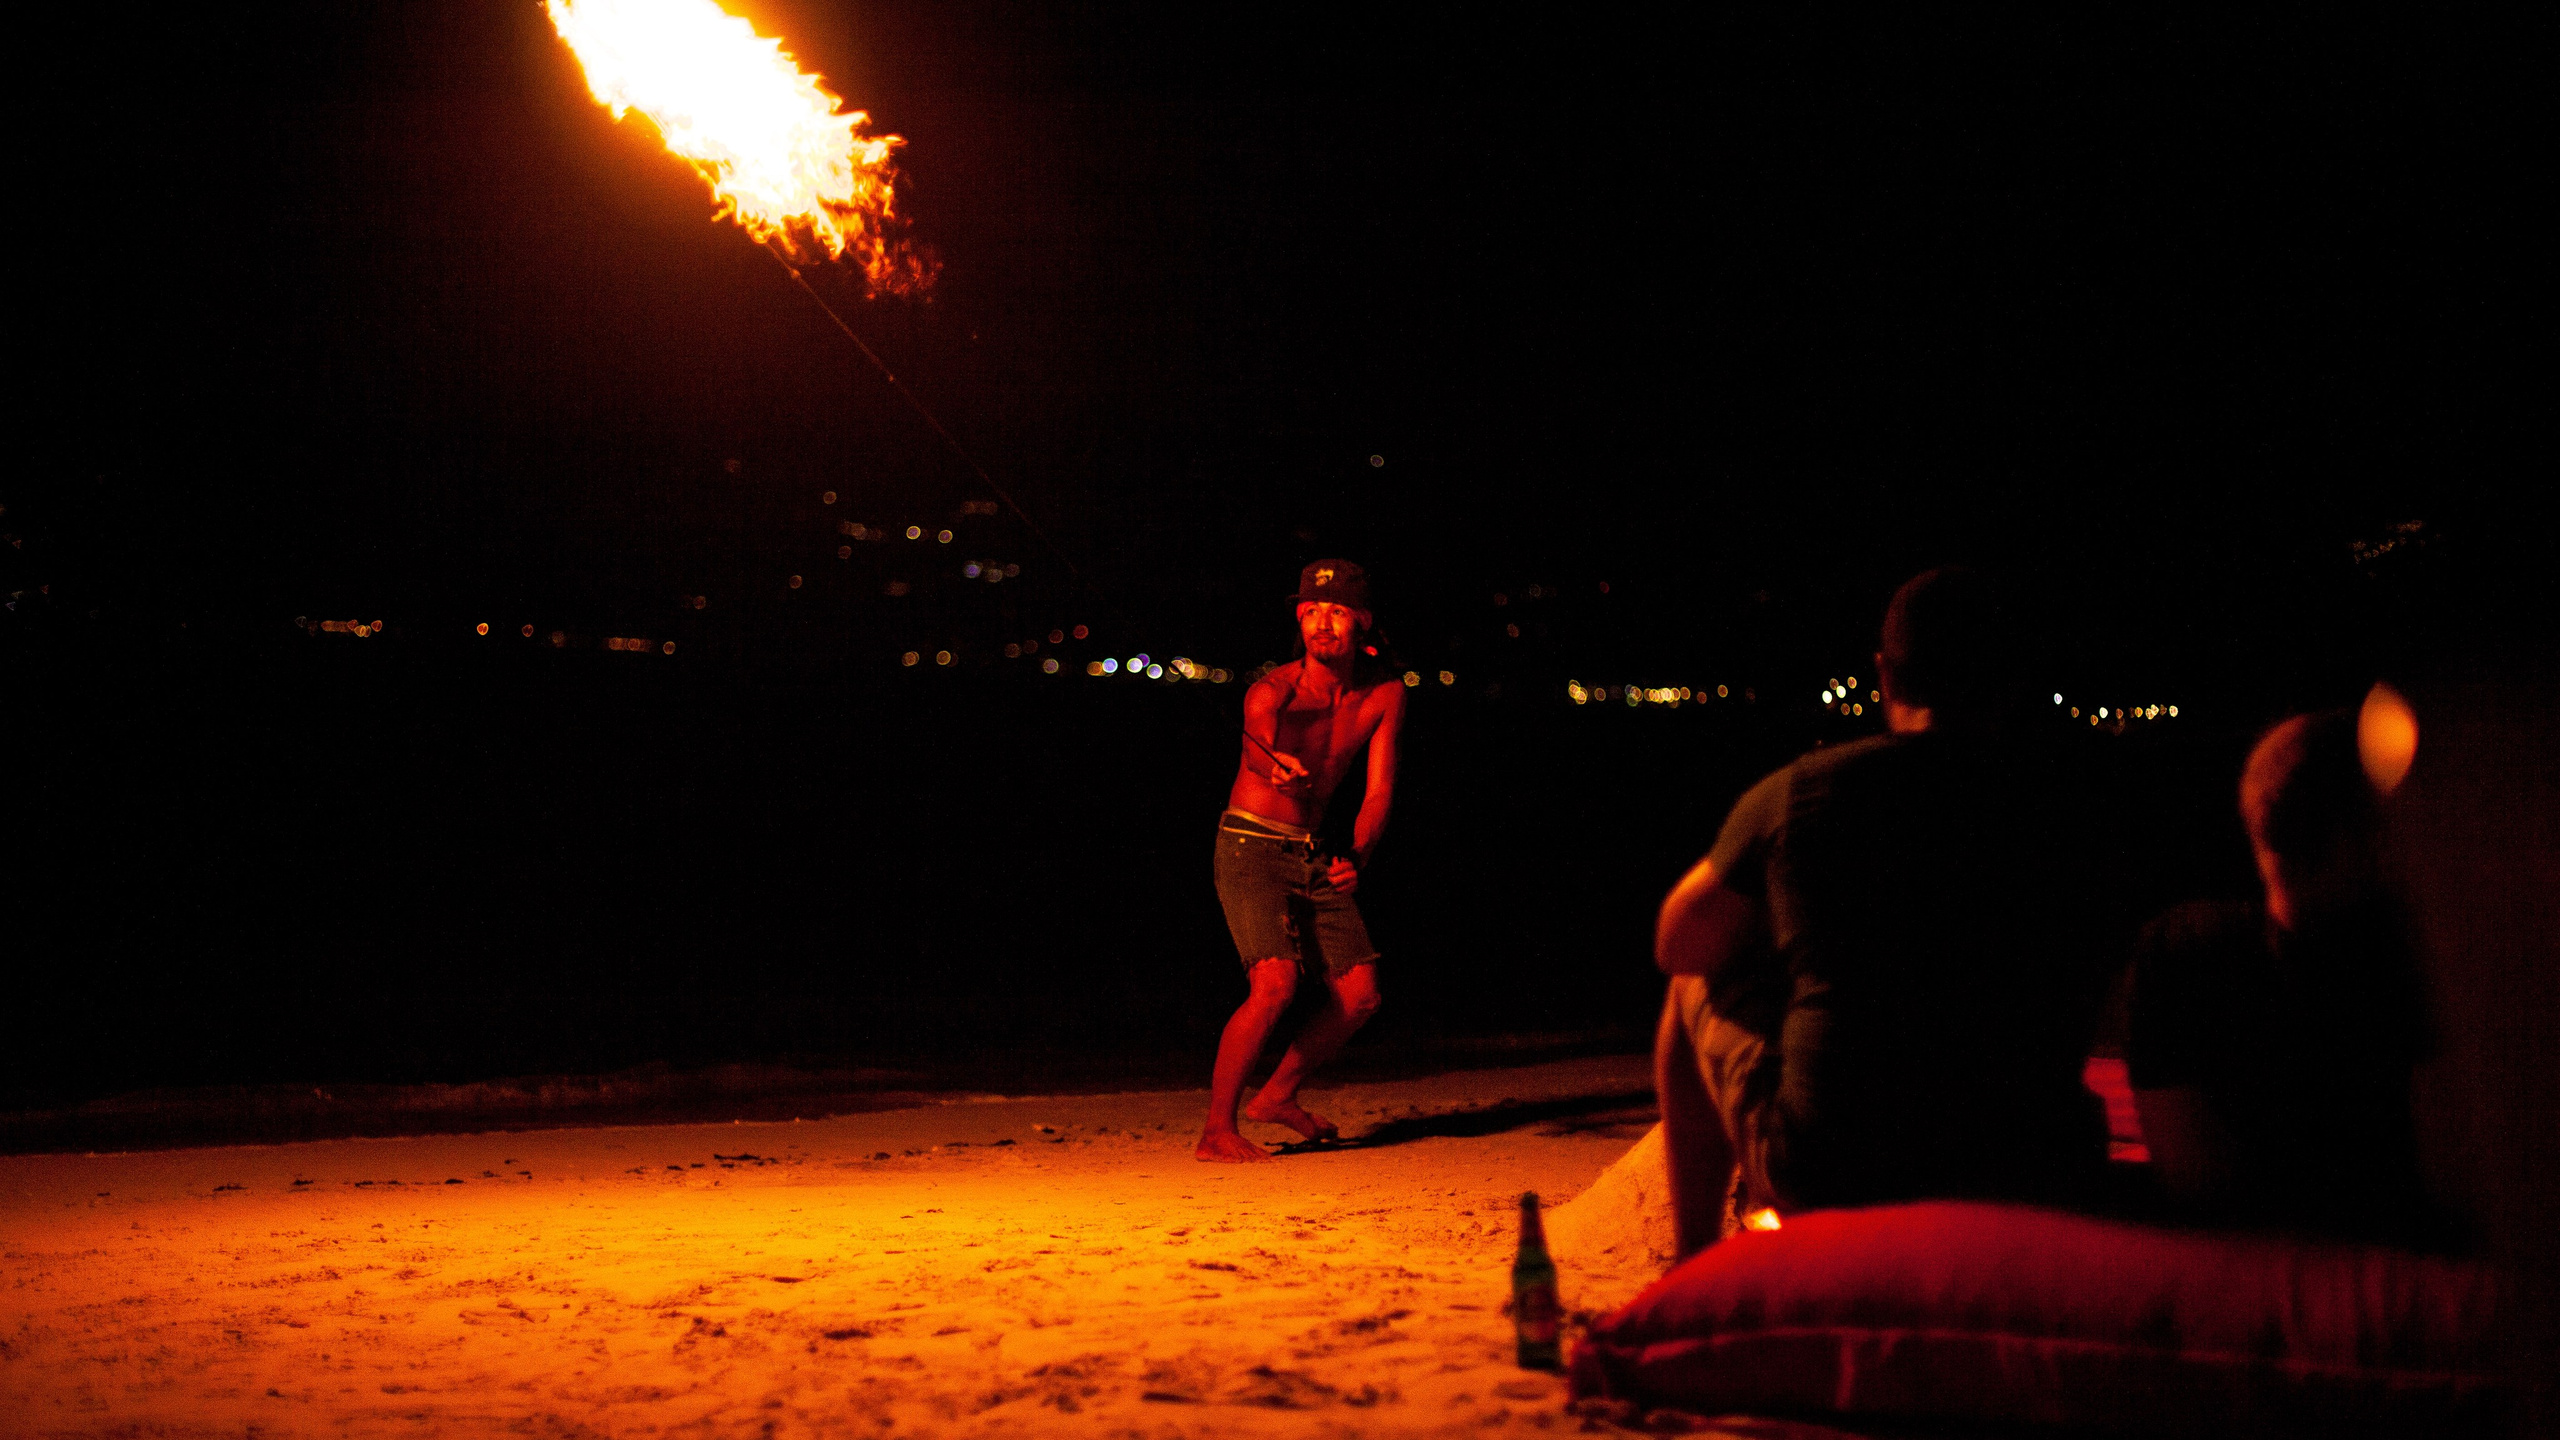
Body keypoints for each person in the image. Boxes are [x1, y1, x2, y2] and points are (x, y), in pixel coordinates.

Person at [1652, 567, 2113, 1255]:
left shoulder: (1805, 791)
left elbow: (1678, 943)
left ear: (1885, 677)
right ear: (2010, 682)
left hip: (1838, 1170)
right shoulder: (2070, 810)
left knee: (1691, 985)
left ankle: (1692, 1261)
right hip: (2036, 1159)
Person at [2127, 708, 2442, 1244]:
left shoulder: (2176, 955)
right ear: (2359, 836)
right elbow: (2451, 1181)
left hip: (2233, 1285)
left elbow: (2192, 1183)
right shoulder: (2415, 972)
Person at [1196, 560, 1408, 1163]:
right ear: (1299, 617)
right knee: (1274, 985)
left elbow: (1378, 791)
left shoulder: (1386, 694)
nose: (1322, 624)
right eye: (1312, 611)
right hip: (1248, 845)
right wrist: (1273, 766)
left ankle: (1277, 1096)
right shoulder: (1275, 689)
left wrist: (1358, 857)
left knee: (1360, 995)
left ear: (1361, 621)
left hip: (1312, 851)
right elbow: (1255, 739)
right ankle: (1217, 1130)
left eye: (1337, 611)